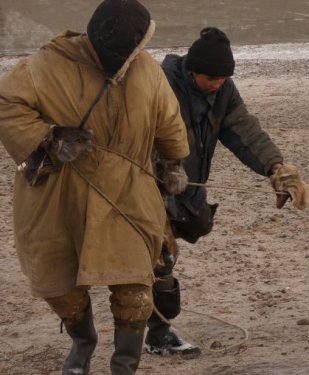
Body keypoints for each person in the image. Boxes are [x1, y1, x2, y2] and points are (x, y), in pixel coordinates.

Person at [0, 1, 190, 374]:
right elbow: (6, 104)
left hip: (129, 192)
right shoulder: (42, 67)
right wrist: (48, 136)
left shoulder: (148, 71)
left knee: (134, 288)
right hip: (59, 195)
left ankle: (124, 366)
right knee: (60, 287)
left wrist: (172, 163)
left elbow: (169, 122)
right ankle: (83, 341)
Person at [144, 26, 309, 356]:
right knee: (160, 257)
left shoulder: (223, 91)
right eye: (212, 79)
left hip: (187, 189)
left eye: (223, 79)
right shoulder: (159, 85)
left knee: (167, 253)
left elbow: (244, 130)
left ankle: (150, 327)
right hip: (149, 187)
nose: (218, 84)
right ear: (193, 71)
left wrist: (277, 169)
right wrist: (160, 171)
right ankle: (157, 334)